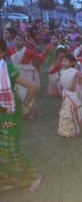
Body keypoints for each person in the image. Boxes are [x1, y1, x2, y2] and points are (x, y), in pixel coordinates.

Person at [0, 38, 42, 192]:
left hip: (9, 113)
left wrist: (25, 106)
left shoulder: (8, 69)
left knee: (10, 146)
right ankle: (7, 178)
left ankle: (33, 175)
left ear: (3, 52)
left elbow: (32, 87)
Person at [8, 33, 44, 119]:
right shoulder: (11, 50)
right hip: (16, 75)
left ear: (24, 42)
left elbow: (40, 58)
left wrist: (33, 66)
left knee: (27, 92)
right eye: (16, 40)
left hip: (27, 74)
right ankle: (23, 111)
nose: (17, 42)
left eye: (20, 40)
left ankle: (31, 111)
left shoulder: (28, 51)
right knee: (18, 93)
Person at [58, 54, 82, 137]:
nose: (63, 62)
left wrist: (79, 88)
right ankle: (66, 130)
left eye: (66, 61)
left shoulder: (75, 72)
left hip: (73, 95)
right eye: (62, 60)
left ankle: (74, 131)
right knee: (66, 112)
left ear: (72, 63)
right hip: (65, 94)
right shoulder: (62, 71)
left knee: (72, 112)